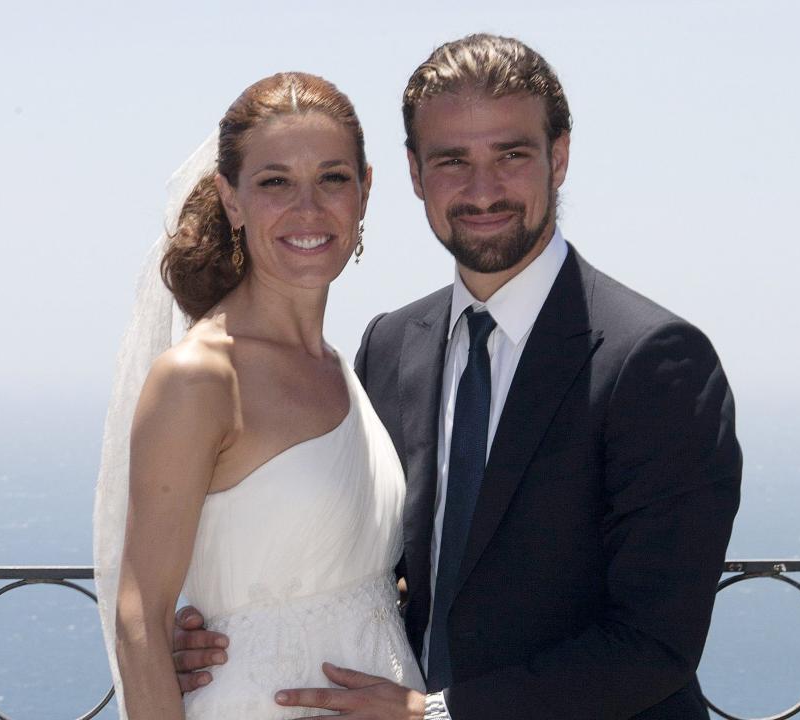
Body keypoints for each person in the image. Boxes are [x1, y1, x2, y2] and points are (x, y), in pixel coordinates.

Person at [173, 35, 742, 719]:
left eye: (511, 155)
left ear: (558, 158)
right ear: (414, 174)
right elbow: (364, 562)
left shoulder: (656, 363)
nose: (482, 190)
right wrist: (228, 632)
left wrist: (436, 714)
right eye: (452, 161)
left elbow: (655, 643)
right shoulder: (390, 347)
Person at [93, 72, 425, 720]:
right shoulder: (200, 378)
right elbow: (140, 620)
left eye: (332, 177)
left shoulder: (344, 370)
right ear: (232, 198)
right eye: (275, 182)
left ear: (365, 191)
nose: (308, 208)